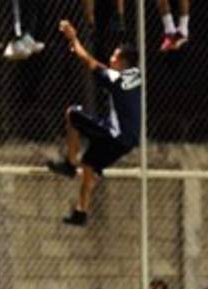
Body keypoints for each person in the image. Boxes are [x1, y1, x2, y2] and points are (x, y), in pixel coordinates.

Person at [46, 20, 141, 227]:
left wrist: (73, 39)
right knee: (90, 164)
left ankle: (70, 164)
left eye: (115, 56)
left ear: (123, 61)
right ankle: (81, 212)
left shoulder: (116, 77)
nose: (111, 58)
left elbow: (89, 61)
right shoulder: (136, 76)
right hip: (128, 140)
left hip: (115, 134)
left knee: (72, 113)